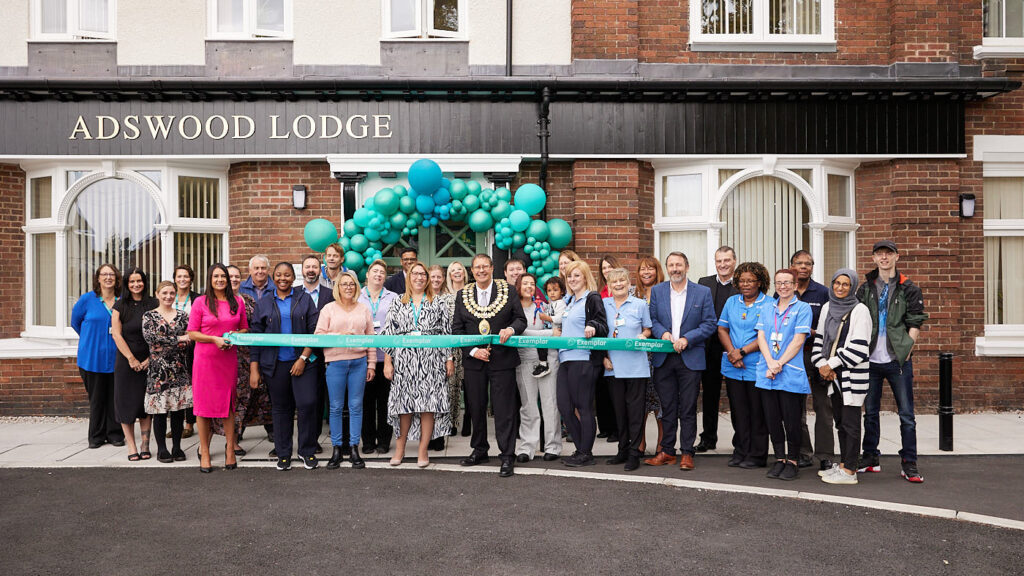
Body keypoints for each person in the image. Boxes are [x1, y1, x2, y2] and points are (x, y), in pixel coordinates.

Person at [857, 240, 928, 483]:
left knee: (906, 414)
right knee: (870, 413)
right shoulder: (865, 288)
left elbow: (916, 320)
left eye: (889, 254)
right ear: (874, 258)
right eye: (880, 254)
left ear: (897, 257)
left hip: (898, 360)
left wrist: (907, 348)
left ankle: (909, 463)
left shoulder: (908, 288)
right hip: (870, 360)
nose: (884, 258)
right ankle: (870, 458)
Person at [453, 254, 527, 477]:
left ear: (492, 268)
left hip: (502, 359)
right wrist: (474, 351)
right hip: (475, 361)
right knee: (476, 408)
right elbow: (457, 330)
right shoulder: (462, 294)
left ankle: (507, 455)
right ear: (472, 271)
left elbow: (520, 320)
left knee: (504, 410)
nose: (481, 270)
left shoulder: (508, 291)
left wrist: (511, 329)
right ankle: (480, 449)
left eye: (485, 266)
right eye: (477, 267)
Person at [645, 252, 716, 471]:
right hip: (664, 358)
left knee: (687, 408)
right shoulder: (657, 291)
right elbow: (653, 320)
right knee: (666, 407)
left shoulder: (702, 292)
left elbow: (709, 323)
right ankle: (667, 451)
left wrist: (688, 338)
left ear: (687, 266)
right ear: (667, 268)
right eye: (671, 265)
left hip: (690, 358)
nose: (675, 268)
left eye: (679, 265)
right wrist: (663, 333)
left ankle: (687, 452)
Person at [381, 261, 454, 468]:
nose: (420, 277)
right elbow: (389, 333)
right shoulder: (397, 302)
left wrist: (449, 359)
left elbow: (446, 333)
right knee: (404, 406)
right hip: (404, 360)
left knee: (428, 406)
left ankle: (423, 450)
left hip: (431, 360)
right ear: (409, 277)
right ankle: (401, 448)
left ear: (428, 278)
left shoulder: (438, 302)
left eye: (423, 274)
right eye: (415, 274)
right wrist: (388, 361)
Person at [249, 262, 320, 471]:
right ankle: (283, 453)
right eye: (279, 275)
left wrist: (303, 359)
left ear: (293, 277)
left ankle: (307, 451)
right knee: (281, 409)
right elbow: (256, 337)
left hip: (303, 363)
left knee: (307, 404)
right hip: (275, 364)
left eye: (287, 275)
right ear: (273, 277)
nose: (283, 278)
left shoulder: (304, 299)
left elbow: (315, 332)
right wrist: (254, 368)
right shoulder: (264, 302)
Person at [812, 269, 871, 485]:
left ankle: (850, 471)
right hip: (832, 376)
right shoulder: (828, 306)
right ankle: (844, 464)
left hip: (851, 377)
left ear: (853, 286)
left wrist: (830, 364)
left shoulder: (860, 310)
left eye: (846, 284)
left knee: (851, 424)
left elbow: (859, 347)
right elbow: (820, 339)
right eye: (837, 283)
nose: (840, 288)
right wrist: (820, 364)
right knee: (840, 422)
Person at [187, 264, 248, 473]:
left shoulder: (237, 302)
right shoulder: (200, 302)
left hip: (227, 360)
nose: (220, 279)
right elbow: (192, 333)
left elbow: (244, 327)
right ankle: (205, 451)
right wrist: (214, 339)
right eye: (216, 276)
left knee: (227, 406)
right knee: (203, 408)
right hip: (205, 361)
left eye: (223, 276)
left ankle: (230, 449)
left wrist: (233, 336)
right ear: (209, 279)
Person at [755, 268, 813, 481]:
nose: (783, 286)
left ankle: (793, 460)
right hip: (767, 371)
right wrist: (770, 362)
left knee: (792, 420)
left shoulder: (803, 308)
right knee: (772, 419)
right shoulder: (767, 308)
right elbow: (761, 336)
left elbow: (798, 340)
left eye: (788, 282)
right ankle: (779, 458)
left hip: (789, 372)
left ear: (795, 285)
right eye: (779, 283)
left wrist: (778, 363)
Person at [316, 270, 374, 470]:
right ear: (337, 287)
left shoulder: (363, 309)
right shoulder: (328, 309)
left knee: (356, 406)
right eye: (344, 284)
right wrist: (339, 334)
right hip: (336, 363)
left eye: (351, 284)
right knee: (336, 407)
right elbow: (319, 335)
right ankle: (337, 448)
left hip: (359, 362)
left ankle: (354, 447)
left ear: (356, 287)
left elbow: (371, 338)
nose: (348, 287)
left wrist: (371, 364)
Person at [553, 260, 608, 467]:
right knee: (565, 407)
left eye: (577, 275)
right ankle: (580, 448)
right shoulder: (570, 301)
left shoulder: (591, 297)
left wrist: (592, 325)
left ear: (585, 277)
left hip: (583, 359)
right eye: (569, 276)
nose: (573, 279)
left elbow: (602, 323)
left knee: (583, 407)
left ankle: (585, 452)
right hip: (565, 359)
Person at [716, 262, 770, 469]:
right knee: (738, 411)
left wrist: (743, 351)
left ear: (760, 282)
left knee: (757, 412)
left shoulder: (769, 303)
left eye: (751, 280)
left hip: (756, 365)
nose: (746, 284)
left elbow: (765, 335)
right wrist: (732, 352)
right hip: (732, 365)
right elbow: (722, 329)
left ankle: (757, 454)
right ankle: (741, 450)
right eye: (742, 280)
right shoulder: (731, 302)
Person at [602, 268, 653, 471]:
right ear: (609, 285)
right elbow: (600, 331)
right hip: (612, 366)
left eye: (622, 280)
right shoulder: (603, 304)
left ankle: (634, 453)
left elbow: (648, 328)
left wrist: (644, 335)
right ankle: (622, 450)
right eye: (614, 282)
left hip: (636, 366)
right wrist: (604, 357)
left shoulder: (640, 304)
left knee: (635, 412)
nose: (618, 284)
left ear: (628, 282)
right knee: (619, 413)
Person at [71, 264, 126, 449]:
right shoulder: (87, 299)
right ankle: (96, 436)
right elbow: (75, 323)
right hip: (91, 358)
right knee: (96, 399)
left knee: (114, 398)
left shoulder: (122, 300)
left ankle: (115, 434)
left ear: (117, 278)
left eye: (112, 274)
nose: (108, 278)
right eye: (104, 274)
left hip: (117, 358)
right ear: (98, 278)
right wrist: (90, 339)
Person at [788, 250, 833, 471]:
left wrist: (812, 332)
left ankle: (825, 455)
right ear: (791, 265)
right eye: (799, 263)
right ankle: (803, 452)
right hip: (793, 356)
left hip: (818, 355)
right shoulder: (784, 292)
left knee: (823, 407)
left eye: (808, 263)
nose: (803, 267)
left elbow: (831, 327)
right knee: (797, 408)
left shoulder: (823, 293)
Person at [221, 265, 272, 457]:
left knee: (244, 399)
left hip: (247, 357)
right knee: (229, 400)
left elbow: (256, 327)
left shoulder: (249, 300)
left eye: (236, 277)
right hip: (225, 356)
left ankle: (234, 439)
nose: (233, 280)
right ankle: (230, 442)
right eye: (229, 276)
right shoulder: (216, 302)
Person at [111, 267, 158, 461]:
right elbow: (116, 333)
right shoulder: (119, 306)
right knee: (126, 403)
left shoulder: (154, 304)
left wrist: (150, 359)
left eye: (139, 281)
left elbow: (159, 334)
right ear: (126, 284)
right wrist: (131, 358)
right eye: (132, 281)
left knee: (145, 404)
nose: (136, 285)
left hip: (150, 359)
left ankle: (145, 444)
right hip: (126, 361)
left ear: (145, 282)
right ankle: (131, 445)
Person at [514, 273, 562, 462]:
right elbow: (522, 331)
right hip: (525, 360)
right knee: (528, 405)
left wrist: (550, 332)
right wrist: (549, 332)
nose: (529, 286)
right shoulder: (514, 310)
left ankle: (553, 446)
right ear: (518, 286)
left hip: (548, 360)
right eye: (525, 283)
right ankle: (527, 446)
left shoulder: (543, 307)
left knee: (551, 404)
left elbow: (559, 326)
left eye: (532, 284)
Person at [142, 280, 192, 463]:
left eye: (171, 293)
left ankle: (177, 447)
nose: (168, 296)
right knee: (160, 411)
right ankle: (162, 449)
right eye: (164, 293)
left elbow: (190, 338)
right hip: (158, 372)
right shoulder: (149, 316)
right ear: (157, 294)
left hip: (179, 369)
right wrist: (179, 338)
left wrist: (171, 340)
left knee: (179, 411)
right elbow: (151, 339)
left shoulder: (183, 315)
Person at [696, 246, 739, 453]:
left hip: (735, 349)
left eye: (727, 260)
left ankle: (740, 439)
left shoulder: (743, 284)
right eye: (719, 261)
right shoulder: (704, 283)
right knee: (710, 395)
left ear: (734, 261)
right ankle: (708, 437)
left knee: (736, 395)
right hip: (708, 348)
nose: (723, 264)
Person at [358, 259, 399, 454]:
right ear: (367, 275)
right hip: (363, 358)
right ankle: (367, 440)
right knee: (365, 402)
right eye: (375, 271)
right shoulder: (357, 296)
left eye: (382, 272)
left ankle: (383, 440)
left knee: (385, 402)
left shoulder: (394, 298)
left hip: (387, 359)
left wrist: (390, 359)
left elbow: (398, 328)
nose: (378, 275)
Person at [302, 254, 335, 454]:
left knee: (328, 399)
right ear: (303, 270)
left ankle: (328, 439)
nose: (311, 270)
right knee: (309, 400)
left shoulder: (330, 293)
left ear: (320, 269)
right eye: (308, 267)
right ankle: (309, 441)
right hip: (303, 355)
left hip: (328, 354)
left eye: (315, 266)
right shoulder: (295, 293)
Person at [633, 256, 665, 455]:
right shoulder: (632, 293)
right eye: (643, 269)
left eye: (650, 269)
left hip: (660, 353)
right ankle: (640, 443)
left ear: (657, 271)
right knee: (640, 401)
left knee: (661, 401)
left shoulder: (665, 292)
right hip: (638, 355)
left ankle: (663, 444)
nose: (646, 272)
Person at [594, 255, 624, 443]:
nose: (606, 270)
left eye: (610, 267)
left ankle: (616, 430)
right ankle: (605, 427)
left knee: (616, 390)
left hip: (619, 345)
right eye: (604, 268)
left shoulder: (621, 290)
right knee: (602, 389)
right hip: (602, 344)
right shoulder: (598, 292)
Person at [505, 257, 551, 379]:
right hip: (513, 358)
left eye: (519, 269)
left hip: (539, 356)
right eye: (511, 269)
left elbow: (547, 320)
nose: (515, 272)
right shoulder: (502, 294)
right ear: (505, 273)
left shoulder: (537, 296)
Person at [172, 264, 200, 439]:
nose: (182, 279)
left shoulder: (198, 299)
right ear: (174, 278)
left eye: (186, 276)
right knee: (175, 385)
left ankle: (189, 424)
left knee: (191, 384)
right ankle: (176, 424)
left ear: (191, 279)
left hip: (193, 348)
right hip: (172, 348)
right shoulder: (168, 296)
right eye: (179, 276)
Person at [427, 264, 452, 451]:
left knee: (440, 397)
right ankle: (425, 437)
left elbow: (448, 331)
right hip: (422, 355)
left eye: (439, 277)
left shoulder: (449, 299)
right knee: (425, 399)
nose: (436, 280)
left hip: (442, 354)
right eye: (432, 276)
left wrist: (449, 357)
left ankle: (439, 437)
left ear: (443, 278)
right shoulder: (421, 297)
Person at [445, 261, 469, 437]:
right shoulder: (444, 296)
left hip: (469, 346)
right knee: (451, 387)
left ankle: (468, 420)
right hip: (451, 347)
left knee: (469, 387)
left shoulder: (471, 292)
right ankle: (451, 422)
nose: (456, 272)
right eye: (453, 270)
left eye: (459, 269)